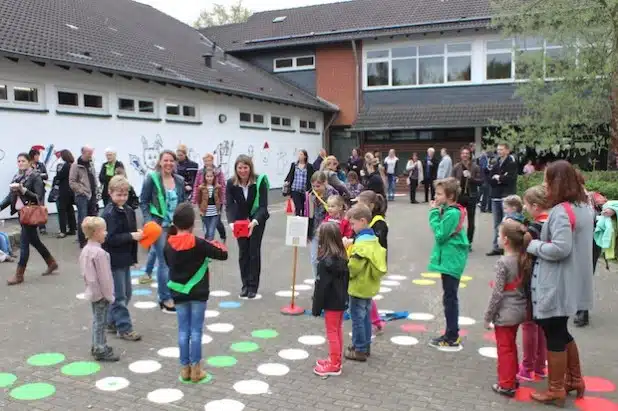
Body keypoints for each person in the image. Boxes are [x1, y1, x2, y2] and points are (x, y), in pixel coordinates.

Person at [525, 160, 593, 405]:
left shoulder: (562, 210)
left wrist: (532, 245)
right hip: (573, 279)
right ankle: (574, 379)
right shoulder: (584, 206)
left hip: (557, 281)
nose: (545, 184)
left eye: (547, 180)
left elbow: (561, 248)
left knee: (553, 330)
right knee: (561, 329)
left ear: (557, 182)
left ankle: (556, 390)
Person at [164, 203, 228, 382]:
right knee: (196, 331)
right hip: (198, 293)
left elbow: (168, 264)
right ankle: (196, 370)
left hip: (178, 293)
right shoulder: (199, 243)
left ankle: (184, 369)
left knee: (183, 330)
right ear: (193, 224)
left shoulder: (168, 244)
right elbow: (223, 254)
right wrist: (214, 244)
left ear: (175, 224)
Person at [484, 220, 529, 397]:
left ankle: (506, 384)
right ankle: (513, 377)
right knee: (511, 346)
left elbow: (497, 294)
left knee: (504, 349)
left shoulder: (503, 262)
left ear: (506, 241)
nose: (497, 238)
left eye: (499, 235)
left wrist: (488, 316)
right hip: (520, 310)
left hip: (505, 313)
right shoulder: (523, 259)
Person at [1, 153, 58, 285]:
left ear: (29, 162)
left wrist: (24, 190)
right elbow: (10, 198)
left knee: (24, 243)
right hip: (22, 214)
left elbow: (38, 197)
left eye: (23, 161)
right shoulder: (17, 177)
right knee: (35, 241)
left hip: (31, 214)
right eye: (18, 161)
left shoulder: (35, 176)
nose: (20, 163)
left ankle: (19, 275)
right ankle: (51, 262)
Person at [140, 150, 186, 312]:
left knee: (174, 262)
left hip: (176, 227)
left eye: (171, 161)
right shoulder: (152, 179)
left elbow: (183, 202)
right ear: (160, 162)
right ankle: (165, 298)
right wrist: (149, 222)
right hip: (159, 226)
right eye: (165, 160)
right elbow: (143, 202)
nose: (168, 163)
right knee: (164, 261)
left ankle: (170, 293)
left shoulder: (179, 180)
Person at [427, 177, 469, 350]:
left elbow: (440, 234)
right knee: (449, 297)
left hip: (452, 261)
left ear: (450, 196)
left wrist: (434, 212)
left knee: (450, 298)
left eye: (439, 194)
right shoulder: (450, 210)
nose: (435, 197)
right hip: (450, 260)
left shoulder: (452, 213)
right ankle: (450, 332)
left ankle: (452, 335)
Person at [343, 204, 387, 362]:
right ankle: (365, 346)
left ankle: (359, 348)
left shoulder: (361, 245)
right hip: (369, 285)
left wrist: (345, 257)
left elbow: (354, 267)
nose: (351, 227)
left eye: (353, 224)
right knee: (366, 317)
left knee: (357, 319)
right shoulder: (372, 239)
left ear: (363, 221)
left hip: (358, 287)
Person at [101, 176, 143, 342]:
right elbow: (110, 239)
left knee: (126, 293)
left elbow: (130, 232)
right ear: (110, 193)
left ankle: (111, 321)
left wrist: (136, 234)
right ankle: (124, 328)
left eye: (125, 194)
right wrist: (131, 236)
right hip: (114, 259)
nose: (122, 198)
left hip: (125, 258)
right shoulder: (109, 214)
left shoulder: (128, 210)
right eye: (119, 194)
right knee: (120, 295)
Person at [226, 155, 269, 299]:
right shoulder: (231, 183)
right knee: (243, 253)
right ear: (236, 169)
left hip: (256, 222)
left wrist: (255, 221)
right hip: (240, 223)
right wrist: (232, 223)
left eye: (245, 167)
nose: (243, 171)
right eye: (240, 168)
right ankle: (244, 285)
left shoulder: (259, 181)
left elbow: (263, 206)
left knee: (253, 252)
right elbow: (230, 205)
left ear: (250, 168)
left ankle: (253, 286)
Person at [518, 185, 549, 382]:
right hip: (549, 280)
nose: (525, 208)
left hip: (532, 279)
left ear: (536, 206)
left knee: (529, 324)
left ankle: (527, 367)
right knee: (543, 325)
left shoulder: (534, 229)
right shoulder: (555, 223)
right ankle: (540, 366)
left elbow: (524, 253)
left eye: (527, 205)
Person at [312, 222, 350, 377]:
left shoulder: (325, 263)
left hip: (331, 302)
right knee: (337, 330)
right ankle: (336, 359)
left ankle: (334, 365)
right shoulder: (342, 257)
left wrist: (316, 307)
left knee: (332, 332)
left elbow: (321, 287)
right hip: (341, 300)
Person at [79, 216, 119, 362]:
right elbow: (105, 278)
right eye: (104, 230)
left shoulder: (85, 250)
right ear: (96, 232)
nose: (106, 233)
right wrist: (109, 295)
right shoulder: (100, 254)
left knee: (97, 320)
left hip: (92, 292)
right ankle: (100, 348)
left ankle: (96, 344)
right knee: (101, 322)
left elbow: (85, 274)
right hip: (101, 294)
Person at [356, 190, 388, 335]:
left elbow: (377, 246)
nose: (358, 207)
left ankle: (375, 322)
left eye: (361, 204)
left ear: (371, 205)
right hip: (365, 262)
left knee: (366, 294)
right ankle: (374, 320)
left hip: (372, 263)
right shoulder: (367, 221)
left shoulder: (378, 223)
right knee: (365, 294)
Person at [306, 171, 339, 279]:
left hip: (329, 231)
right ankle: (318, 283)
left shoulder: (332, 194)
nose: (315, 188)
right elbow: (309, 214)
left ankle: (329, 285)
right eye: (313, 186)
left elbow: (336, 213)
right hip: (315, 231)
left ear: (325, 183)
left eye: (318, 186)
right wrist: (308, 232)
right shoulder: (311, 195)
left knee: (329, 259)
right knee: (314, 259)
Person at [487, 143, 518, 256]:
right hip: (496, 195)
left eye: (501, 149)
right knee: (497, 223)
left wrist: (499, 177)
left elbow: (510, 178)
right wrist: (499, 178)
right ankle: (496, 246)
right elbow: (490, 179)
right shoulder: (496, 162)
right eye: (498, 149)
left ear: (507, 150)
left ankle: (508, 247)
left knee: (507, 222)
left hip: (506, 195)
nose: (499, 151)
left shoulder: (512, 162)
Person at [452, 146, 482, 249]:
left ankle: (468, 242)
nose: (464, 155)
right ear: (461, 155)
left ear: (469, 155)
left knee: (471, 221)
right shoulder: (456, 167)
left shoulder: (475, 167)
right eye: (463, 153)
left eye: (466, 153)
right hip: (459, 197)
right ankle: (457, 240)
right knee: (456, 220)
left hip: (471, 196)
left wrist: (471, 177)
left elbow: (480, 182)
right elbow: (451, 182)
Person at [193, 153, 227, 243]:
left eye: (209, 160)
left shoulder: (218, 172)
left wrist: (223, 199)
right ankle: (208, 241)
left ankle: (222, 235)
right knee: (206, 224)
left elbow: (223, 185)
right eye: (205, 161)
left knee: (217, 222)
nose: (207, 162)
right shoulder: (200, 172)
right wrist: (194, 199)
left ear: (212, 161)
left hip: (216, 200)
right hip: (204, 201)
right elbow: (196, 185)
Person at [70, 146, 99, 249]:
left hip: (92, 194)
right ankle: (83, 241)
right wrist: (81, 190)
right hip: (82, 196)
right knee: (83, 218)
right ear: (83, 152)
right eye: (89, 153)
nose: (90, 155)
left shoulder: (91, 163)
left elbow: (93, 177)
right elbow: (72, 182)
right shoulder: (76, 165)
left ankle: (93, 239)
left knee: (93, 217)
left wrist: (96, 188)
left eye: (91, 152)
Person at [284, 149, 314, 217]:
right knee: (298, 207)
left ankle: (304, 221)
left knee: (304, 208)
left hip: (305, 190)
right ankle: (297, 220)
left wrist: (311, 189)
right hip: (295, 189)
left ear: (305, 156)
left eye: (301, 154)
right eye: (299, 154)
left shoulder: (309, 166)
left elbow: (312, 177)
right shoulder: (294, 165)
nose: (299, 156)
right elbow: (290, 175)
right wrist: (287, 184)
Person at [55, 149, 77, 238]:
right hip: (71, 190)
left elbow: (59, 176)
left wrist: (57, 175)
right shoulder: (73, 165)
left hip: (64, 191)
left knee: (62, 210)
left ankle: (63, 231)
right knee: (70, 210)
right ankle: (72, 229)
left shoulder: (66, 166)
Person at [196, 168, 223, 241]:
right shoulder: (201, 187)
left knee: (211, 232)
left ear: (214, 177)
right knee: (207, 232)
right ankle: (207, 247)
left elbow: (220, 198)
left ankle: (209, 248)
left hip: (215, 213)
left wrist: (219, 209)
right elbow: (198, 200)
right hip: (205, 213)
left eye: (211, 176)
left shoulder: (218, 187)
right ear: (204, 177)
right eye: (207, 176)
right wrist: (201, 210)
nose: (209, 178)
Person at [29, 148, 48, 235]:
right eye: (37, 155)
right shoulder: (28, 165)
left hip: (40, 190)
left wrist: (38, 175)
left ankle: (42, 227)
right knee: (31, 208)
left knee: (41, 208)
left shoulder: (41, 165)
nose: (38, 157)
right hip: (30, 191)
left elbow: (46, 175)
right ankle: (31, 226)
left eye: (38, 155)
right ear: (33, 156)